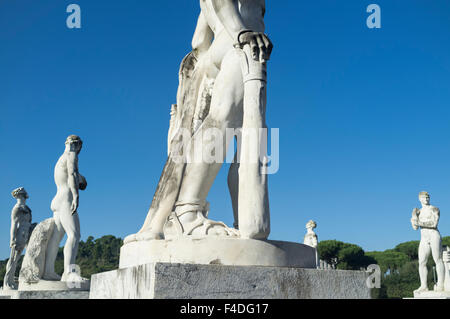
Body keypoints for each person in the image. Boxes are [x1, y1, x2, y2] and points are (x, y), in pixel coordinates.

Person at [126, 0, 273, 242]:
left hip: (219, 49)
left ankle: (197, 213)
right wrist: (241, 32)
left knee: (225, 129)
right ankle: (188, 211)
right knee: (226, 123)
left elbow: (198, 41)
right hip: (239, 44)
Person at [43, 135, 87, 282]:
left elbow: (74, 175)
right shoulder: (72, 155)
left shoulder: (60, 159)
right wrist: (76, 196)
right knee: (74, 235)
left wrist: (82, 179)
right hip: (66, 198)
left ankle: (48, 271)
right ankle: (69, 272)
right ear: (78, 145)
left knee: (56, 238)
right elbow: (72, 174)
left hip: (57, 199)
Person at [411, 191, 445, 293]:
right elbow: (415, 228)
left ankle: (440, 285)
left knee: (437, 259)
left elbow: (434, 224)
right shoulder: (419, 211)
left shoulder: (434, 209)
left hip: (434, 235)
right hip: (424, 238)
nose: (426, 199)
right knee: (421, 262)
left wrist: (419, 222)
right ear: (419, 199)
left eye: (427, 197)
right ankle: (424, 286)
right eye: (424, 197)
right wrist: (414, 216)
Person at [3, 188, 33, 290]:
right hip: (19, 234)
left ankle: (23, 279)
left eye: (23, 195)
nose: (23, 197)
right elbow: (14, 224)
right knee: (13, 259)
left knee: (21, 258)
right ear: (19, 196)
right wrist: (12, 239)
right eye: (22, 195)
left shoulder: (27, 209)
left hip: (27, 234)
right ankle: (8, 282)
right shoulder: (17, 208)